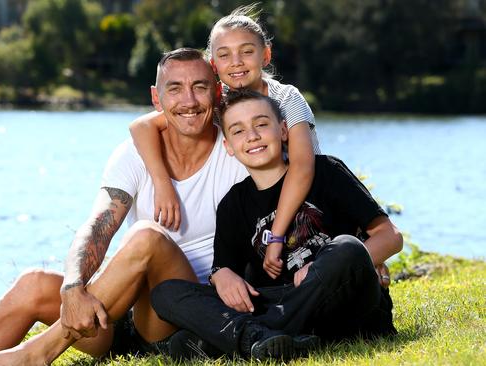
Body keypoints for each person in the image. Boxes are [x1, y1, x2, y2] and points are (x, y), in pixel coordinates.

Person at [0, 48, 249, 366]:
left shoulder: (237, 152)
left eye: (200, 87)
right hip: (122, 315)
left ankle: (37, 354)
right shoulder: (134, 153)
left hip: (181, 319)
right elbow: (99, 223)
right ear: (156, 98)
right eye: (175, 89)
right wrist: (73, 285)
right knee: (33, 283)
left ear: (217, 91)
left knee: (148, 236)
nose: (188, 101)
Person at [150, 89, 403, 360]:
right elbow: (225, 270)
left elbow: (390, 236)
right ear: (228, 147)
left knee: (348, 248)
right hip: (279, 298)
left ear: (283, 130)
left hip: (343, 299)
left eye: (261, 124)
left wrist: (319, 269)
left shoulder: (327, 171)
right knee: (166, 293)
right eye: (238, 131)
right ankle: (281, 338)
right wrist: (221, 274)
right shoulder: (233, 204)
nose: (252, 136)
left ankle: (255, 336)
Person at [130, 4, 319, 281]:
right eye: (224, 55)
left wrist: (276, 235)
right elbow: (141, 125)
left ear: (265, 55)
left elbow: (303, 168)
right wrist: (162, 183)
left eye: (246, 51)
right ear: (213, 65)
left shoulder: (286, 98)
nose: (236, 62)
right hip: (258, 211)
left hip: (302, 204)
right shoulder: (217, 103)